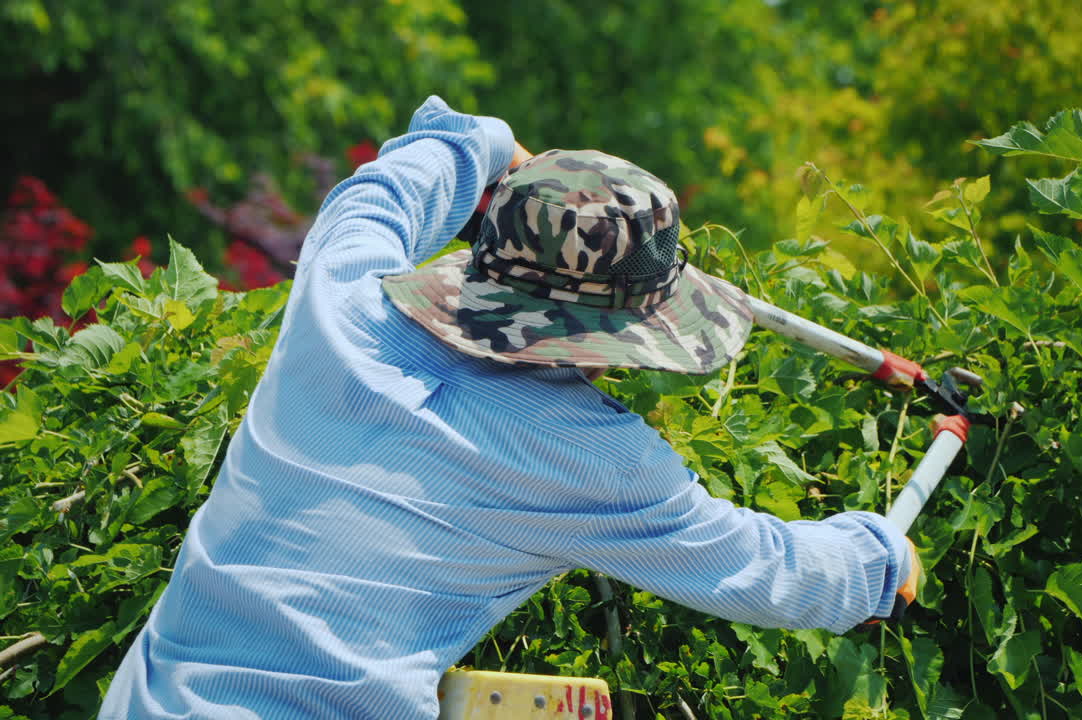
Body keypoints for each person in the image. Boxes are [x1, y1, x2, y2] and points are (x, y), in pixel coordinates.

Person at [100, 97, 919, 719]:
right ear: (628, 334)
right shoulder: (590, 459)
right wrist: (883, 560)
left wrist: (493, 148)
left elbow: (414, 162)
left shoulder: (340, 294)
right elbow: (768, 571)